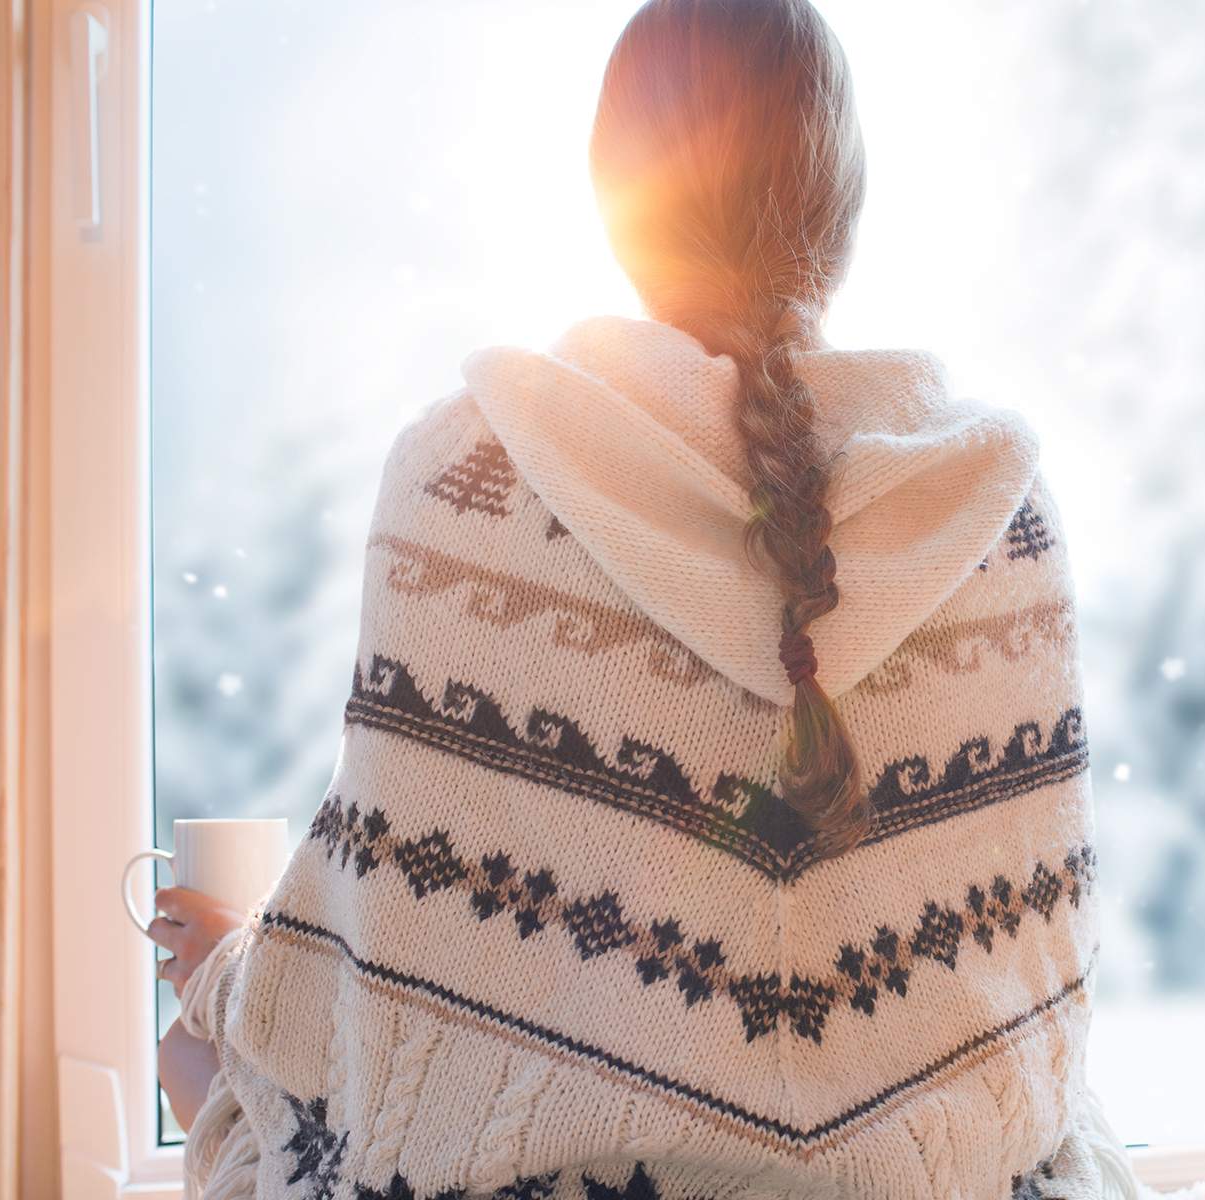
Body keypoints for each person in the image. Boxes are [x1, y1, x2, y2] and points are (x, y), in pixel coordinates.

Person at [146, 1, 1138, 1195]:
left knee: (216, 1086)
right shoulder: (998, 518)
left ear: (616, 195)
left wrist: (228, 987)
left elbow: (392, 988)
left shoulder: (466, 479)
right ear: (844, 207)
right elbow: (1023, 1017)